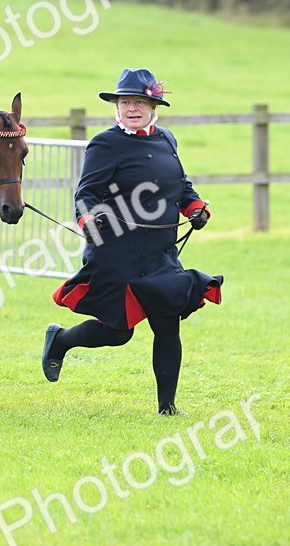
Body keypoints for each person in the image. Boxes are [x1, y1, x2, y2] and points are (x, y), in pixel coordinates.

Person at [42, 67, 222, 415]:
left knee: (167, 324)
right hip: (116, 252)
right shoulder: (105, 143)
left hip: (160, 253)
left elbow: (181, 186)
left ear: (154, 106)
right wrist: (90, 218)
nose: (132, 108)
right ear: (117, 106)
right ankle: (61, 340)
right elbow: (86, 193)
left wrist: (196, 208)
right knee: (118, 332)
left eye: (139, 102)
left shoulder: (167, 140)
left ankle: (167, 408)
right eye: (126, 102)